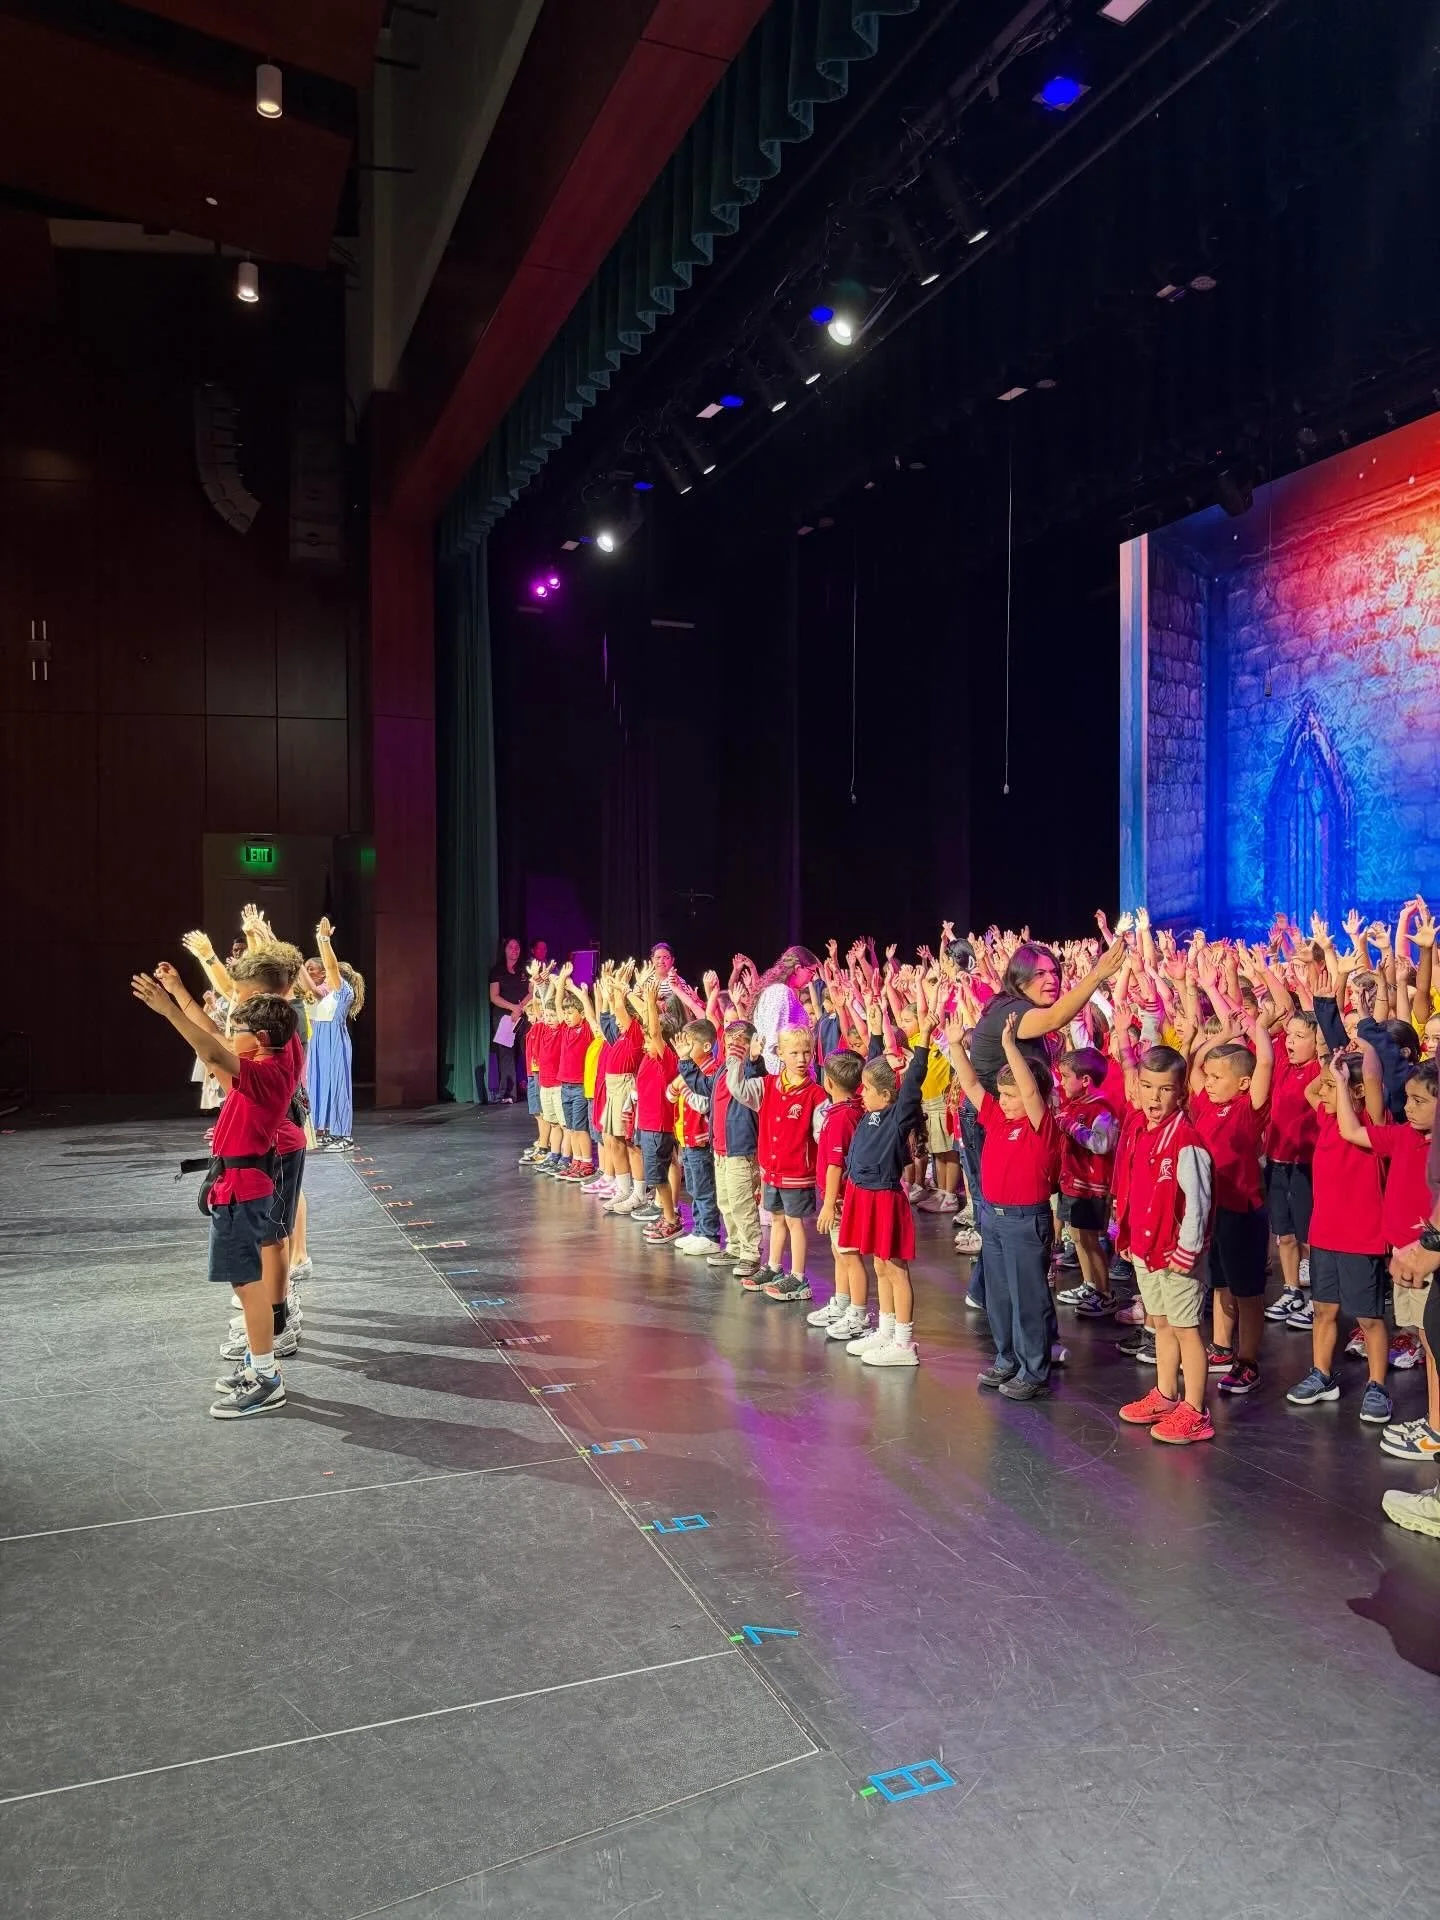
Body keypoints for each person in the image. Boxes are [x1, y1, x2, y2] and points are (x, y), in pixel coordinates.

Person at [132, 970, 300, 1418]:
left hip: (242, 1191)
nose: (230, 1037)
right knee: (249, 1282)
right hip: (243, 1185)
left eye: (238, 1031)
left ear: (261, 1038)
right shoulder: (275, 1061)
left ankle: (266, 1377)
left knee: (247, 1284)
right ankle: (258, 1363)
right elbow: (214, 1043)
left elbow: (208, 1047)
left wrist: (168, 1009)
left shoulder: (265, 1073)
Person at [949, 1012, 1063, 1399]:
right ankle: (1007, 1359)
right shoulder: (998, 1118)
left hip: (1024, 1222)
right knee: (998, 1296)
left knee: (1028, 1298)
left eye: (1011, 1094)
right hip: (993, 1220)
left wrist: (1010, 1047)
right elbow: (969, 1083)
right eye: (1003, 1094)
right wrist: (954, 1046)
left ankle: (1034, 1370)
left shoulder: (1040, 1126)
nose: (1005, 1100)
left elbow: (1030, 1093)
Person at [1112, 1045, 1216, 1445]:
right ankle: (1166, 1395)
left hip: (1176, 1255)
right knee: (1160, 1323)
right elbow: (1133, 1187)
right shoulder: (1139, 1128)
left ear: (1181, 1094)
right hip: (1145, 1247)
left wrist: (1186, 1252)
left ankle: (1194, 1410)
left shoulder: (1186, 1140)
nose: (1154, 1098)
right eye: (1147, 1087)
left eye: (1165, 1089)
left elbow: (1199, 1202)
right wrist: (1127, 1235)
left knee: (1186, 1329)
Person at [1286, 1045, 1392, 1422]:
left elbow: (1374, 1081)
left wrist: (1356, 1055)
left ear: (1356, 1091)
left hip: (1361, 1236)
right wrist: (1330, 1066)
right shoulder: (1327, 1119)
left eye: (1334, 1087)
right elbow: (1309, 1091)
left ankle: (1377, 1385)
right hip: (1325, 1234)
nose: (1324, 1092)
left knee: (1368, 1318)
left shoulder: (1373, 1125)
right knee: (1323, 1310)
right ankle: (1322, 1375)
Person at [834, 1003, 934, 1367]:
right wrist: (875, 1031)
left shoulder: (896, 1116)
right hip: (863, 1193)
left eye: (867, 1089)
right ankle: (887, 1330)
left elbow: (911, 1083)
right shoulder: (872, 1111)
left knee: (894, 1267)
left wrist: (921, 1043)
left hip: (884, 1197)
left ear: (887, 1097)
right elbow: (874, 1064)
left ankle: (904, 1343)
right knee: (879, 1266)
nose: (860, 1093)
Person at [1188, 1019, 1273, 1396]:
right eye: (1209, 1077)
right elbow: (1194, 1065)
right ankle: (1222, 1347)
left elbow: (1265, 1066)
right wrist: (1222, 1036)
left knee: (1247, 1292)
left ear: (1241, 1083)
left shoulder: (1246, 1108)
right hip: (1214, 1211)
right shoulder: (1207, 1105)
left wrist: (1259, 1029)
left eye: (1217, 1077)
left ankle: (1248, 1360)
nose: (1208, 1082)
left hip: (1243, 1212)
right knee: (1220, 1283)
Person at [1369, 1061, 1439, 1461]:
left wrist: (1425, 1244)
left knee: (1434, 1341)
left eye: (1419, 1100)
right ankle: (1434, 1422)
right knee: (1430, 1342)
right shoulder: (1409, 1139)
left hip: (1427, 1255)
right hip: (1416, 1253)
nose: (1407, 1107)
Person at [726, 1022, 826, 1298]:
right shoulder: (767, 1085)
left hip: (798, 1173)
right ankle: (773, 1266)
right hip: (772, 1171)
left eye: (806, 1052)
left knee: (795, 1222)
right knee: (777, 1219)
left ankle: (799, 1277)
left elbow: (823, 1134)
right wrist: (737, 1059)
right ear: (779, 1053)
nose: (801, 1059)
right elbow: (737, 1088)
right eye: (794, 1053)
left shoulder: (815, 1094)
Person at [1053, 1046, 1121, 1316]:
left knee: (1091, 1240)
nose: (1062, 1081)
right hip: (1073, 1182)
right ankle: (1089, 1283)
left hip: (1091, 1186)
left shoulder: (1101, 1109)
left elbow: (1101, 1144)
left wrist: (1071, 1126)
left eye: (1066, 1076)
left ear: (1085, 1080)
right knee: (1078, 1236)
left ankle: (1105, 1293)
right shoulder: (1075, 1104)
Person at [806, 1048, 868, 1341]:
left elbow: (835, 1163)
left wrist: (829, 1203)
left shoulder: (843, 1117)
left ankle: (857, 1314)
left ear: (828, 1082)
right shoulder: (844, 1111)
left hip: (842, 1198)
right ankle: (842, 1303)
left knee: (850, 1254)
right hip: (839, 1196)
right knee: (839, 1251)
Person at [1265, 1010, 1321, 1328]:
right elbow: (1261, 1028)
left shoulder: (1319, 1069)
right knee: (1283, 1235)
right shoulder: (1283, 1067)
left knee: (1308, 1237)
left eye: (1300, 1037)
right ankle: (1292, 1291)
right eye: (1290, 1035)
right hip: (1277, 1162)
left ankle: (1318, 1299)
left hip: (1306, 1165)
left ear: (1316, 1041)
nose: (1291, 1042)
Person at [305, 917, 364, 1150]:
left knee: (338, 1085)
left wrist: (323, 940)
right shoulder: (326, 994)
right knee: (319, 1084)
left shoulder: (343, 992)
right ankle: (326, 1129)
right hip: (319, 1039)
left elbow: (330, 966)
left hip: (334, 1040)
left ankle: (344, 1136)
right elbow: (305, 979)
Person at [671, 1019, 724, 1256]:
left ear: (704, 1047)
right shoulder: (691, 1071)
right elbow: (669, 1094)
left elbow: (703, 1103)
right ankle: (699, 1229)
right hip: (688, 1138)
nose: (684, 1051)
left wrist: (682, 1086)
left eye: (689, 1045)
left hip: (701, 1140)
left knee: (704, 1188)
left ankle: (710, 1234)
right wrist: (681, 1086)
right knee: (693, 1187)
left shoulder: (711, 1071)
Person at [751, 947, 822, 1072]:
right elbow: (775, 1042)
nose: (812, 978)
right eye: (811, 972)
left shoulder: (781, 991)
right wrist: (784, 1080)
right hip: (782, 1077)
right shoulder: (781, 992)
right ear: (798, 969)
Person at [488, 937, 527, 1101]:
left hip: (523, 1015)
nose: (514, 950)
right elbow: (494, 996)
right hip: (504, 1016)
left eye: (517, 947)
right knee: (506, 1054)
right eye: (511, 947)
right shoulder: (497, 970)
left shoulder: (525, 969)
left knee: (527, 1050)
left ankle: (532, 1089)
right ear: (504, 950)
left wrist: (521, 1007)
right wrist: (513, 1008)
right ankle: (508, 1093)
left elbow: (532, 992)